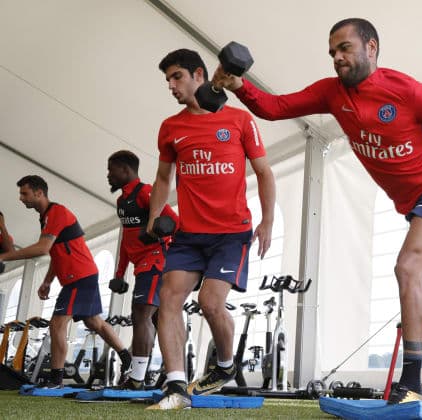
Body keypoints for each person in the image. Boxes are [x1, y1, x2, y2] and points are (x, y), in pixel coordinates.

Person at [213, 18, 422, 404]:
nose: (337, 58)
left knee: (407, 267)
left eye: (345, 48)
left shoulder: (407, 91)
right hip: (413, 204)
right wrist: (238, 85)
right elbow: (276, 108)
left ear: (371, 48)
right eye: (332, 52)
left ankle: (412, 383)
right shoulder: (330, 93)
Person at [145, 49, 276, 410]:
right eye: (168, 80)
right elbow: (161, 177)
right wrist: (154, 218)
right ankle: (176, 387)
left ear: (199, 75)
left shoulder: (240, 120)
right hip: (188, 234)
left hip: (231, 233)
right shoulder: (171, 127)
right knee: (166, 301)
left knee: (210, 303)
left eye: (176, 77)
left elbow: (264, 172)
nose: (171, 86)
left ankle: (223, 366)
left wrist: (268, 220)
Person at [0, 175, 131, 388]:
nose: (21, 198)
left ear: (39, 193)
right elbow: (55, 251)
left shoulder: (57, 213)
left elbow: (42, 248)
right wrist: (47, 281)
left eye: (24, 193)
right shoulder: (46, 218)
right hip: (80, 276)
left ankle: (56, 380)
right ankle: (126, 357)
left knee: (57, 324)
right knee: (93, 321)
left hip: (80, 276)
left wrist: (4, 256)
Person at [107, 150, 180, 390]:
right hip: (140, 265)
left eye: (112, 170)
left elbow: (174, 223)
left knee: (140, 314)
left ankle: (137, 379)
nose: (108, 175)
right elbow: (127, 241)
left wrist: (160, 234)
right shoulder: (121, 202)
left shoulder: (146, 193)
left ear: (126, 170)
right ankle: (172, 374)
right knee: (160, 319)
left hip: (157, 261)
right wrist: (119, 273)